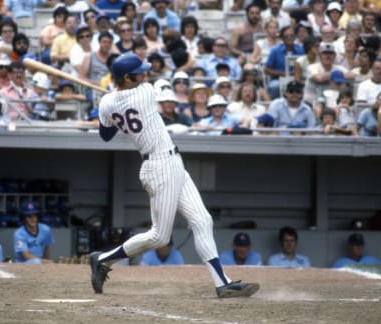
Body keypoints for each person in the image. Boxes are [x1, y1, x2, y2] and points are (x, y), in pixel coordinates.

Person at [89, 53, 259, 298]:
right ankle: (103, 259)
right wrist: (115, 98)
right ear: (127, 77)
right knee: (160, 236)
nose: (143, 75)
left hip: (172, 163)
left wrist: (109, 102)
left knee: (203, 221)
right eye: (138, 72)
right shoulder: (145, 91)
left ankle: (222, 283)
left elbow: (105, 135)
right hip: (159, 166)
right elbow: (132, 96)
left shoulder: (108, 102)